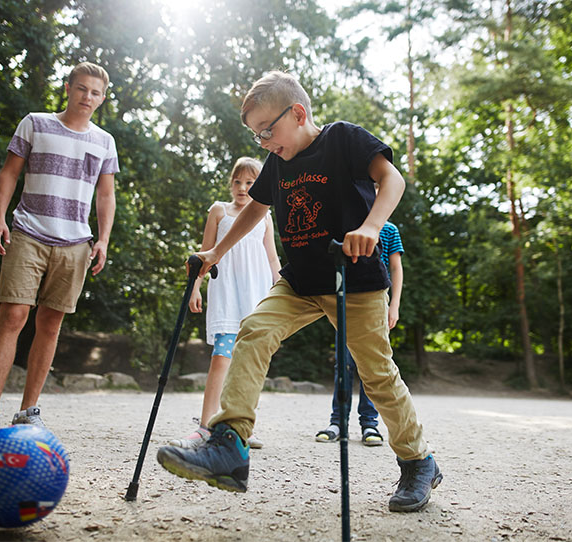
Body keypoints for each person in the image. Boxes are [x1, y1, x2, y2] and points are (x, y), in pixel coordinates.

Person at [157, 71, 441, 513]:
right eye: (256, 136)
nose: (264, 143)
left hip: (355, 280)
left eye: (268, 131)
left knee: (377, 375)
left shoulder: (343, 139)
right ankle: (230, 444)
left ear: (298, 113)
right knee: (254, 330)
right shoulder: (279, 162)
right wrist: (215, 252)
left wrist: (370, 226)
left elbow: (393, 180)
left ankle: (418, 460)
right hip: (300, 280)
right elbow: (256, 209)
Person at [0, 62, 118, 450]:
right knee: (13, 316)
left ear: (103, 98)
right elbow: (8, 174)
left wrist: (102, 240)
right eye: (82, 89)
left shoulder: (104, 141)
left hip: (75, 243)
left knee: (50, 326)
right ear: (68, 88)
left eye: (95, 93)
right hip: (29, 232)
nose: (88, 97)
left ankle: (29, 411)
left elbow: (105, 195)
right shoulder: (35, 123)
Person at [168, 156, 280, 451]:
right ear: (231, 183)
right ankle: (205, 427)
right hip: (228, 294)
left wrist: (282, 290)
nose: (242, 188)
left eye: (250, 182)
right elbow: (205, 253)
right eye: (238, 182)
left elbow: (272, 259)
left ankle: (242, 426)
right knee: (222, 358)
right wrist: (195, 288)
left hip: (256, 296)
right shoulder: (219, 211)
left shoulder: (264, 216)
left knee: (251, 363)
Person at [315, 218, 403, 446]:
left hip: (375, 303)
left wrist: (394, 306)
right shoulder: (348, 223)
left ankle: (370, 424)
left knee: (371, 366)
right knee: (343, 364)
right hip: (348, 301)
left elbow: (396, 267)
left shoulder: (390, 230)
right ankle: (337, 422)